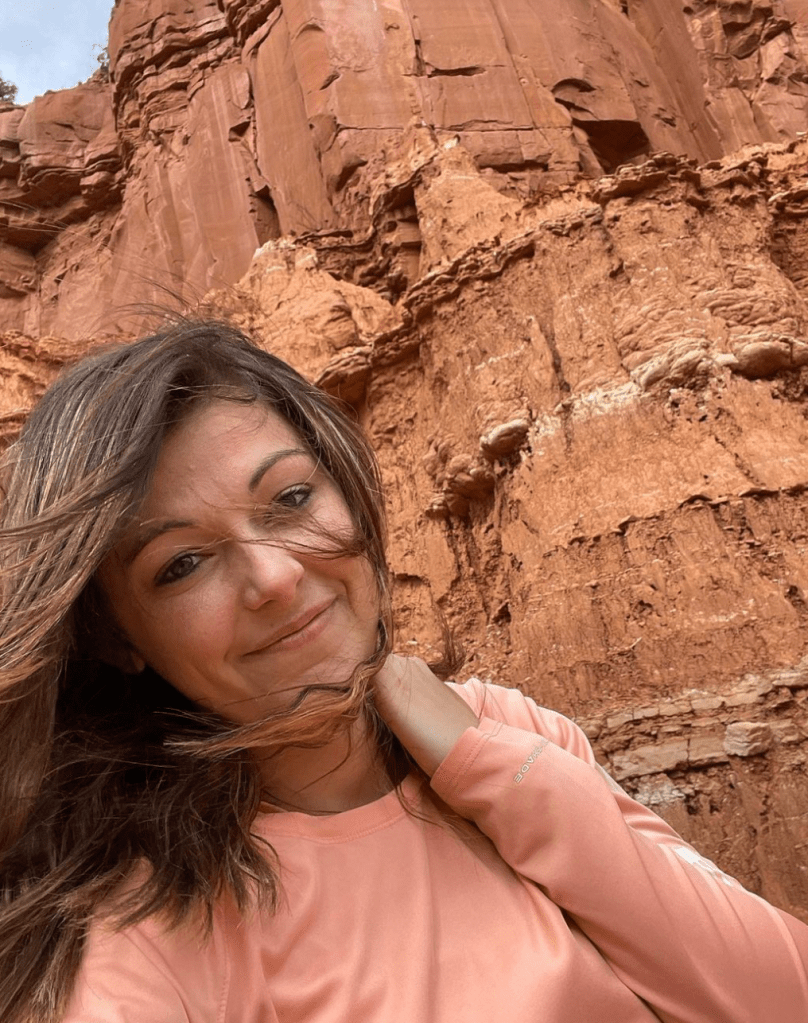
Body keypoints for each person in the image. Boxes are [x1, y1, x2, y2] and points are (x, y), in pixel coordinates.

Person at [0, 320, 806, 1023]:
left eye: (290, 497)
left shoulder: (506, 730)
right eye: (181, 564)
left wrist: (489, 765)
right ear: (118, 638)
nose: (275, 576)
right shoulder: (147, 930)